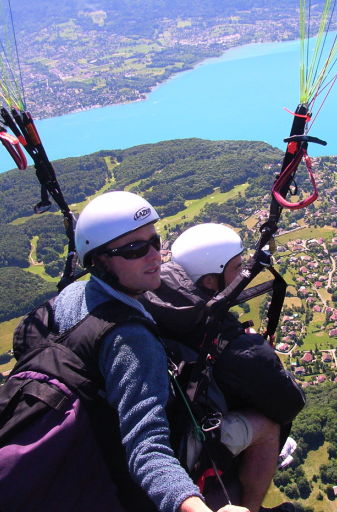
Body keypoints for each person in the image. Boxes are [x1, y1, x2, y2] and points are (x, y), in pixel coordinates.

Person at [53, 191, 247, 512]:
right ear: (100, 261)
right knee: (263, 427)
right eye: (135, 249)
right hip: (124, 471)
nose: (155, 255)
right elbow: (147, 447)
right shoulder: (130, 340)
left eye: (154, 241)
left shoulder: (74, 294)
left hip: (85, 445)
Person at [141, 223, 306, 512]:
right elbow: (291, 402)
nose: (244, 275)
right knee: (268, 427)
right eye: (238, 267)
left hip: (158, 423)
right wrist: (259, 353)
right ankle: (252, 508)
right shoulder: (236, 347)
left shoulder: (150, 295)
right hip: (177, 442)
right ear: (209, 282)